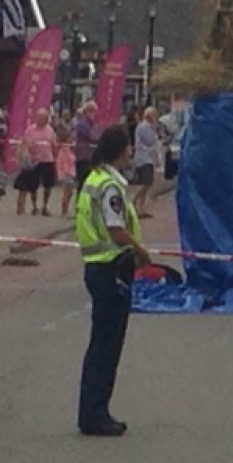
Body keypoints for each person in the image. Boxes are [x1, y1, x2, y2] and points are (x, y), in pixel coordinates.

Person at [75, 124, 150, 437]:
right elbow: (116, 228)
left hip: (97, 267)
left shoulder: (94, 178)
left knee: (100, 344)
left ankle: (92, 410)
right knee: (107, 345)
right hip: (111, 268)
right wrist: (140, 251)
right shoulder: (110, 186)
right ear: (122, 150)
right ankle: (96, 413)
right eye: (129, 147)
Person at [16, 108, 58, 216]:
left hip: (48, 160)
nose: (43, 120)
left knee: (48, 185)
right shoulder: (30, 129)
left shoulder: (50, 130)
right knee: (33, 185)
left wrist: (55, 158)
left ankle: (45, 206)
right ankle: (34, 206)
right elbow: (25, 143)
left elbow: (54, 145)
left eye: (45, 118)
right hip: (35, 161)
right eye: (40, 117)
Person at [131, 107, 160, 218]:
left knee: (148, 183)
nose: (155, 118)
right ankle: (133, 202)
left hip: (149, 158)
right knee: (145, 182)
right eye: (154, 115)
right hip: (144, 158)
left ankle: (141, 208)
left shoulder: (148, 127)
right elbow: (150, 140)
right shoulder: (144, 127)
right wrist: (154, 131)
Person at [74, 102, 99, 189]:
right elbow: (93, 136)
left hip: (91, 155)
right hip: (83, 156)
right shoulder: (82, 124)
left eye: (95, 111)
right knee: (82, 180)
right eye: (91, 111)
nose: (94, 114)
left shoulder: (92, 124)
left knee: (90, 181)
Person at [56, 125, 77, 216]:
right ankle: (64, 210)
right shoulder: (63, 151)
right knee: (67, 192)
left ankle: (65, 209)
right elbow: (60, 163)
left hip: (71, 173)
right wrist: (61, 174)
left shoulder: (70, 150)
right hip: (66, 173)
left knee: (70, 193)